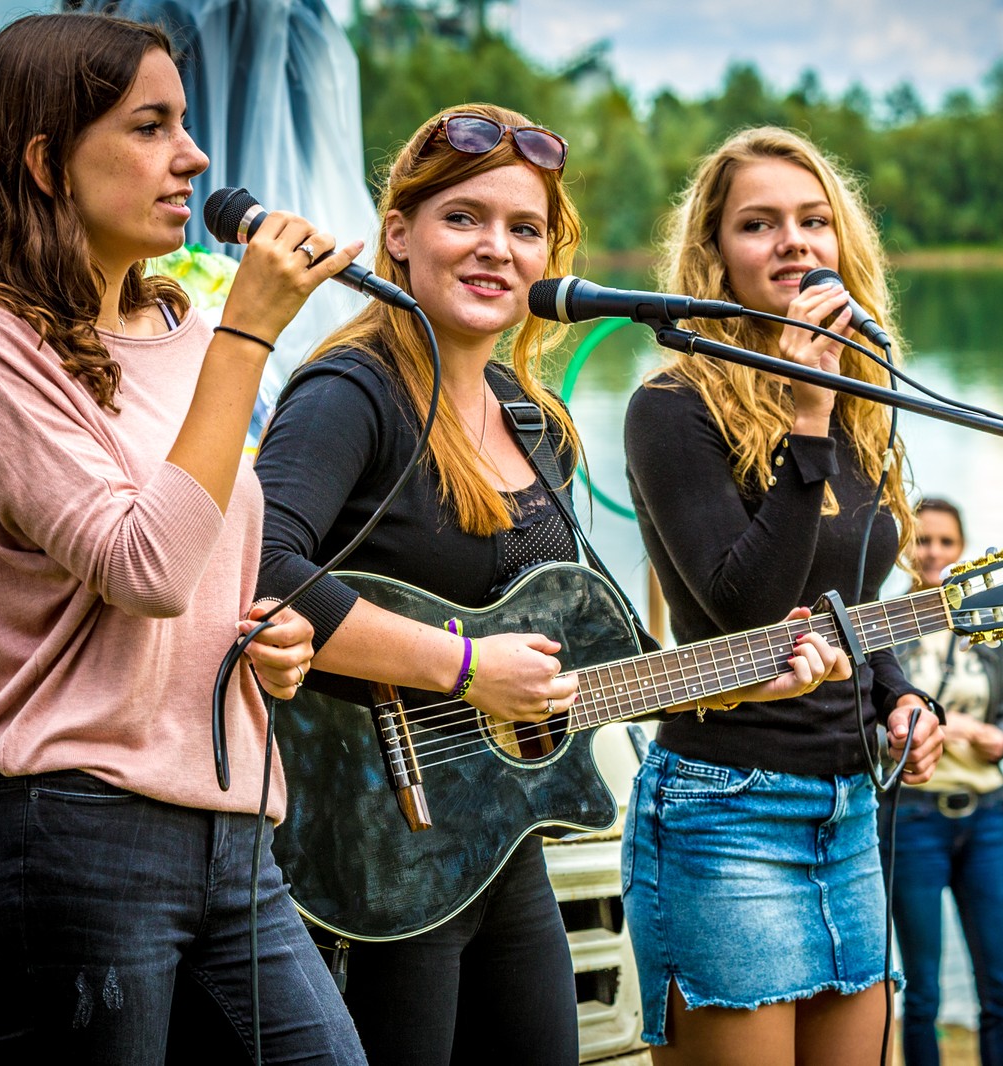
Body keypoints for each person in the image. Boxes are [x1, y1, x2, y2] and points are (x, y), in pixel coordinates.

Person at [252, 104, 847, 1066]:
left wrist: (747, 676)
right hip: (368, 854)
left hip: (494, 850)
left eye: (524, 230)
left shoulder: (535, 422)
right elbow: (260, 568)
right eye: (463, 219)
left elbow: (607, 656)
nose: (496, 249)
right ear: (397, 236)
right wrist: (462, 668)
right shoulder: (352, 391)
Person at [0, 13, 367, 1063]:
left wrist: (261, 649)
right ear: (46, 160)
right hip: (75, 836)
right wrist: (250, 334)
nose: (194, 158)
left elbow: (194, 563)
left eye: (186, 124)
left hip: (234, 830)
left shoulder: (182, 328)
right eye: (151, 126)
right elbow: (144, 566)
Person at [621, 126, 946, 1066]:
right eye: (758, 225)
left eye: (813, 221)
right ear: (714, 255)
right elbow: (743, 610)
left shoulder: (863, 402)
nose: (793, 242)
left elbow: (856, 598)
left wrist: (902, 699)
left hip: (847, 811)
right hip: (726, 810)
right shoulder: (673, 405)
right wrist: (807, 415)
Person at [883, 498, 1003, 1066]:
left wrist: (1001, 739)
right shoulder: (886, 628)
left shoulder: (983, 627)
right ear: (904, 549)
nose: (933, 552)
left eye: (945, 542)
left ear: (961, 551)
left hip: (985, 818)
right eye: (922, 540)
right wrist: (950, 725)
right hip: (913, 818)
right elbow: (873, 721)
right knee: (922, 992)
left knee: (1000, 990)